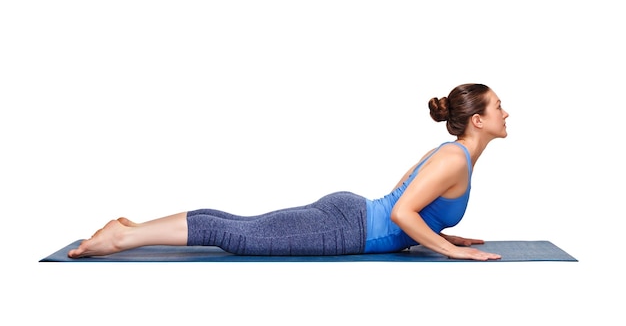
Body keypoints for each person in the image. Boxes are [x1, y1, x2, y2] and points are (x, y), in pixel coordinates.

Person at [68, 83, 508, 261]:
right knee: (237, 236)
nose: (507, 113)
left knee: (240, 226)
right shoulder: (454, 158)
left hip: (350, 216)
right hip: (347, 228)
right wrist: (454, 253)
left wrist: (437, 236)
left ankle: (131, 227)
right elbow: (399, 213)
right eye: (498, 107)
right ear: (477, 120)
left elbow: (405, 201)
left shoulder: (455, 155)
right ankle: (121, 237)